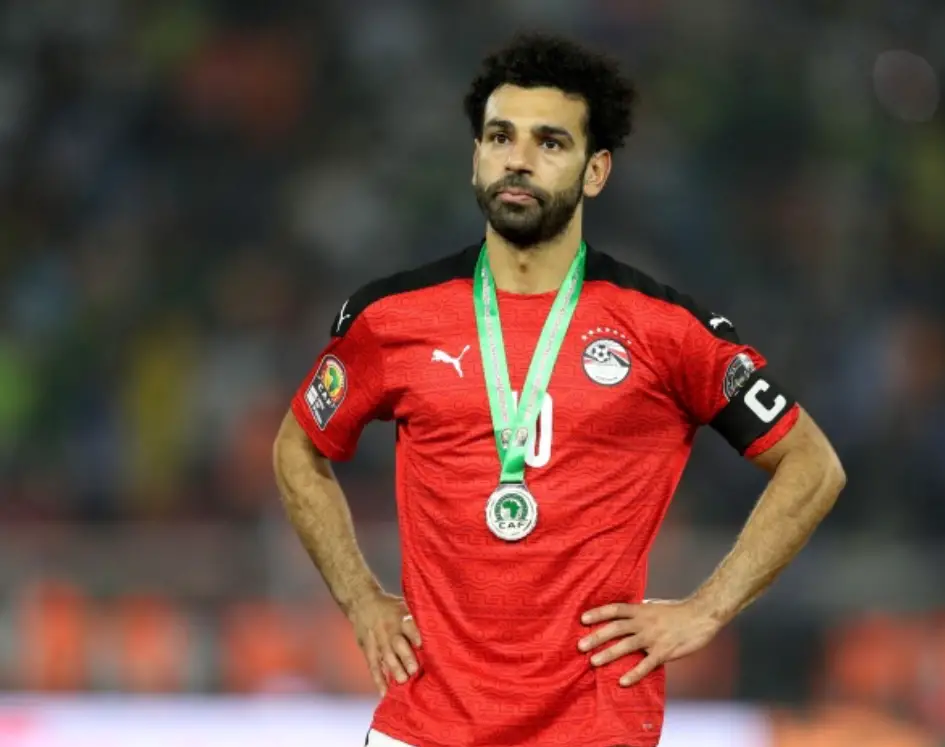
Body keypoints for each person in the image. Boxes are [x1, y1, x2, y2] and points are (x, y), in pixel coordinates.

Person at [272, 32, 845, 747]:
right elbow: (297, 448)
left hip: (593, 728)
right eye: (500, 137)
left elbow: (812, 463)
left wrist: (706, 609)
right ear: (475, 157)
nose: (518, 158)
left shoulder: (664, 329)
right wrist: (361, 600)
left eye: (550, 142)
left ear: (595, 170)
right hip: (424, 725)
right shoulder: (392, 318)